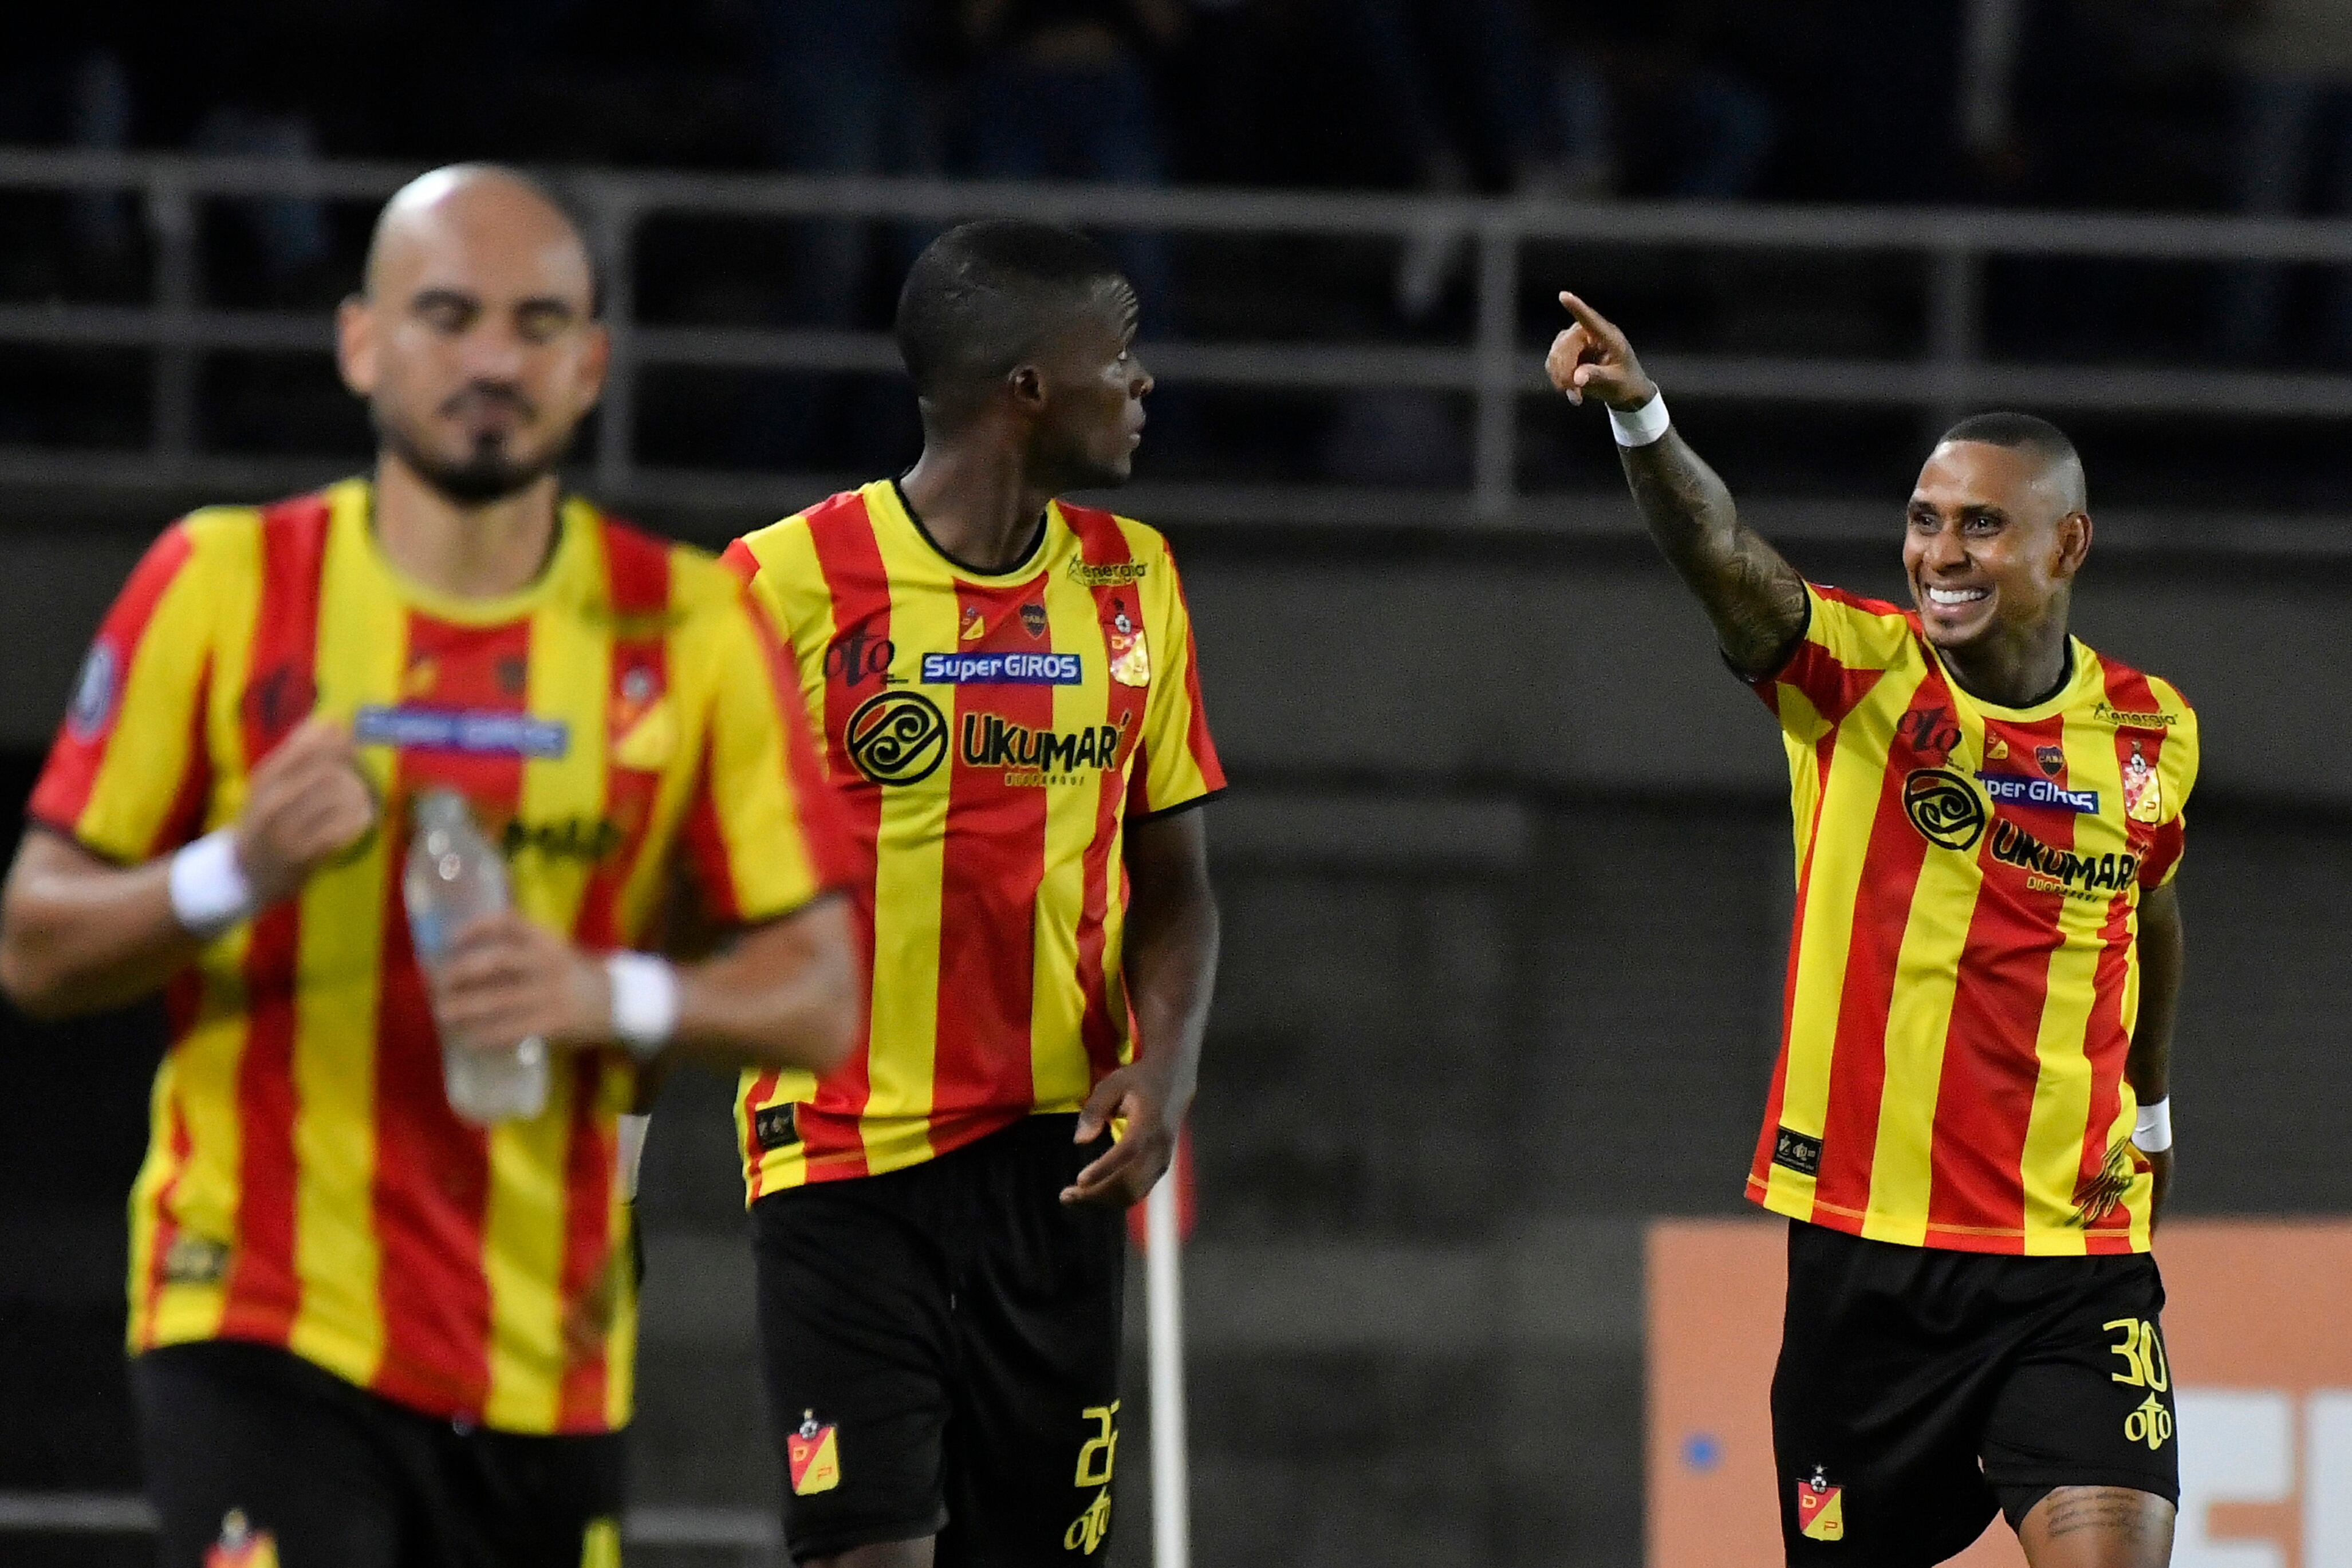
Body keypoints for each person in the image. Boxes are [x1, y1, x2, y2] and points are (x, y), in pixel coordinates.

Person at [0, 164, 860, 1568]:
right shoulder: (223, 585)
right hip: (256, 1311)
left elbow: (820, 998)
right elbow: (34, 943)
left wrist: (607, 995)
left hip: (546, 1346)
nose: (489, 361)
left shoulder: (688, 628)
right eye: (447, 314)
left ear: (589, 366)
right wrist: (233, 871)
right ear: (361, 341)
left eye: (535, 326)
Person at [1547, 293, 2194, 1567]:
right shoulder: (1849, 676)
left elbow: (2150, 912)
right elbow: (1721, 553)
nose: (1938, 554)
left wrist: (2152, 1113)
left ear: (2065, 546)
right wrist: (1640, 417)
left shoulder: (2146, 729)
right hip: (1862, 1263)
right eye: (1921, 521)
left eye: (1978, 527)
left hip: (2071, 1259)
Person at [720, 218, 1224, 1567]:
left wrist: (1161, 1069)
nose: (1141, 383)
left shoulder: (1137, 584)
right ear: (1025, 390)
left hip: (1056, 1167)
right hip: (842, 1161)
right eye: (1116, 356)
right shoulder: (780, 586)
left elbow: (1173, 884)